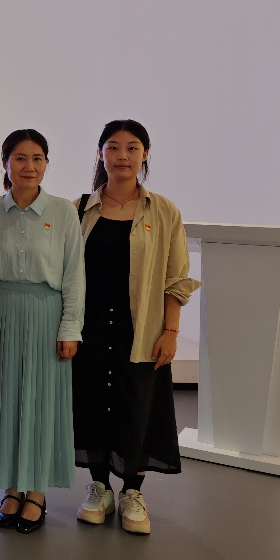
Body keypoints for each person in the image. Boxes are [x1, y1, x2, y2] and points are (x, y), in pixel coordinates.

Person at [72, 119, 200, 535]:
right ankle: (99, 487)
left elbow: (176, 277)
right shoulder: (79, 209)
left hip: (141, 328)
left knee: (137, 407)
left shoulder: (163, 211)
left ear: (145, 154)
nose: (122, 156)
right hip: (90, 328)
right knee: (91, 404)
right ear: (100, 154)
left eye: (131, 148)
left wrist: (171, 331)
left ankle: (131, 491)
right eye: (113, 147)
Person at [0, 129, 84, 534]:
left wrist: (70, 327)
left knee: (40, 401)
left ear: (46, 164)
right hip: (0, 315)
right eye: (19, 158)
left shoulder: (64, 211)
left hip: (45, 316)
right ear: (5, 163)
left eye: (37, 158)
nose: (29, 166)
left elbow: (74, 274)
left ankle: (36, 491)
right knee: (6, 399)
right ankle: (12, 487)